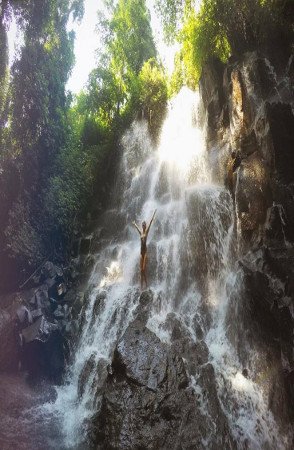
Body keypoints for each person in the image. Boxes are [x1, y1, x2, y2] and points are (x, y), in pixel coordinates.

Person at [132, 209, 157, 289]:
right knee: (141, 270)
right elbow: (137, 228)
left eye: (144, 225)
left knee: (143, 269)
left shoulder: (146, 232)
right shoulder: (141, 233)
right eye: (142, 225)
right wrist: (134, 224)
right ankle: (141, 286)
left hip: (145, 252)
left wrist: (153, 214)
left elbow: (150, 223)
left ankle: (146, 284)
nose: (143, 226)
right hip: (141, 252)